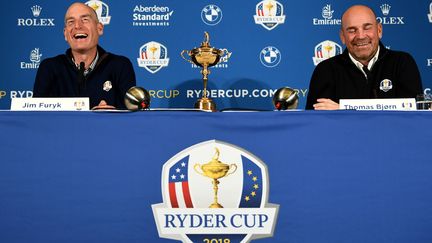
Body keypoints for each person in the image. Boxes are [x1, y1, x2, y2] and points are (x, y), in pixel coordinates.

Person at [306, 5, 422, 110]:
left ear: (379, 30)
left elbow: (412, 115)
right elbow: (315, 123)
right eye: (352, 30)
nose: (361, 36)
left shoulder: (402, 63)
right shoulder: (325, 70)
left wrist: (343, 109)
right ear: (342, 36)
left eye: (367, 28)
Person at [33, 2, 136, 110]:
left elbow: (130, 117)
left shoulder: (120, 65)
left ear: (99, 28)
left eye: (85, 20)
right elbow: (37, 116)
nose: (77, 26)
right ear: (65, 34)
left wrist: (111, 114)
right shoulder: (49, 67)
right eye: (71, 22)